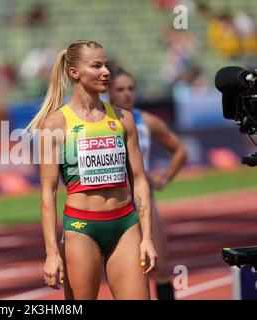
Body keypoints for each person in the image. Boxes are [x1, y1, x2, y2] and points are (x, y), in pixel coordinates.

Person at [26, 40, 158, 300]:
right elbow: (48, 193)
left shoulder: (123, 119)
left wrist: (147, 236)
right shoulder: (55, 125)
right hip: (81, 228)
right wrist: (52, 252)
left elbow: (139, 179)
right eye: (96, 66)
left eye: (106, 65)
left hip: (126, 225)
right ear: (74, 73)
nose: (106, 72)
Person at [108, 67, 187, 300]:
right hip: (115, 203)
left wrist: (163, 179)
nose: (126, 94)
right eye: (120, 89)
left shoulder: (147, 121)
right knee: (129, 273)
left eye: (131, 88)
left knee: (160, 267)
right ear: (109, 93)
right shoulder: (101, 120)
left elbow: (180, 151)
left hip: (144, 202)